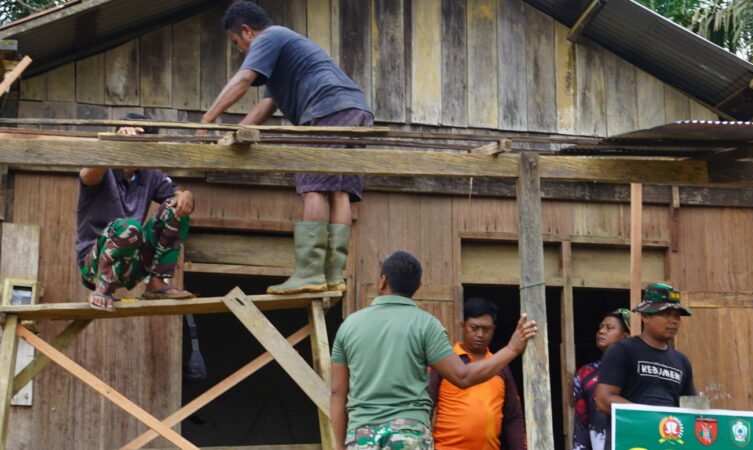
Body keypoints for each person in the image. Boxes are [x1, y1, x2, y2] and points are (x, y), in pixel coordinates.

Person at [201, 1, 373, 295]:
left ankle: (309, 273)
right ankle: (332, 274)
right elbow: (266, 105)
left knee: (313, 186)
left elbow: (243, 79)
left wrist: (207, 119)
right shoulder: (284, 58)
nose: (240, 51)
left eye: (236, 43)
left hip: (327, 110)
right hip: (354, 110)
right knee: (339, 190)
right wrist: (237, 132)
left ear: (247, 31)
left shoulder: (269, 37)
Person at [330, 251, 537, 450]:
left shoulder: (349, 326)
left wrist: (339, 445)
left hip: (362, 435)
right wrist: (511, 349)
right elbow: (463, 376)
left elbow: (338, 392)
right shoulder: (426, 325)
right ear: (418, 286)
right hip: (409, 433)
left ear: (382, 281)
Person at [76, 113, 195, 311]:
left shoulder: (149, 174)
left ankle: (156, 283)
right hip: (95, 265)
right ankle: (103, 289)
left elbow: (176, 196)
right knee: (129, 227)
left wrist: (186, 194)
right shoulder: (102, 168)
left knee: (177, 208)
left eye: (146, 148)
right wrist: (113, 145)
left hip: (133, 264)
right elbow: (87, 175)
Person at [428, 297, 526, 450]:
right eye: (474, 328)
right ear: (462, 326)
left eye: (486, 329)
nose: (480, 334)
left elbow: (513, 417)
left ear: (494, 329)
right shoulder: (447, 362)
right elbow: (426, 405)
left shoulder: (501, 367)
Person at [595, 284, 696, 420]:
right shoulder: (622, 350)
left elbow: (690, 406)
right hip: (631, 439)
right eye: (665, 314)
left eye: (677, 316)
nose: (673, 321)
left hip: (670, 438)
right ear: (645, 316)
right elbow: (604, 400)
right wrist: (649, 420)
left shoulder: (681, 360)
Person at [572, 308, 631, 450]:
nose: (602, 331)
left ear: (625, 336)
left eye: (609, 328)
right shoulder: (585, 373)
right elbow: (581, 423)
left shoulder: (637, 370)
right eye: (601, 328)